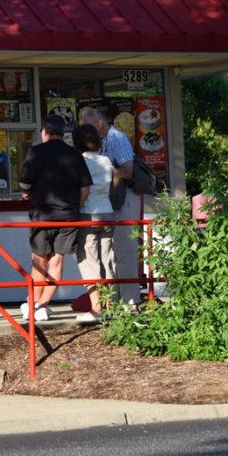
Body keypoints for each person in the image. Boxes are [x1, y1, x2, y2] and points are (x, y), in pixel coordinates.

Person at [18, 115, 92, 321]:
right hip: (68, 216)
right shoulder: (75, 155)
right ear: (63, 132)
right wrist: (74, 207)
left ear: (44, 132)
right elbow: (85, 189)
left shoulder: (36, 151)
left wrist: (26, 194)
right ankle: (42, 306)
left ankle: (33, 304)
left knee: (38, 260)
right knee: (57, 261)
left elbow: (25, 185)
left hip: (42, 215)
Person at [81, 108, 141, 308]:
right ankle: (112, 300)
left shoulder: (117, 138)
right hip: (107, 202)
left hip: (122, 198)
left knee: (124, 249)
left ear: (99, 124)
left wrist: (103, 174)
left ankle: (131, 299)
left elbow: (128, 171)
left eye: (88, 126)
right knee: (109, 253)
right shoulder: (100, 144)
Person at [72, 123, 116, 325]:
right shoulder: (106, 160)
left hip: (87, 212)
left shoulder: (79, 161)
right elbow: (114, 183)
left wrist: (74, 210)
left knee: (88, 258)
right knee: (108, 257)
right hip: (107, 210)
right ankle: (110, 304)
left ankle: (96, 307)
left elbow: (82, 190)